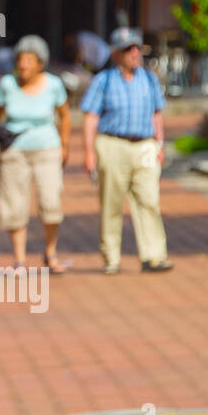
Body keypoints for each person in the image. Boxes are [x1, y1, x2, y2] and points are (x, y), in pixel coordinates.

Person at [80, 28, 173, 274]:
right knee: (111, 203)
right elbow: (90, 117)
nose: (134, 53)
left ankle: (153, 256)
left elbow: (157, 114)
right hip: (113, 144)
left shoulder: (149, 78)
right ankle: (111, 258)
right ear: (115, 54)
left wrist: (160, 144)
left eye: (136, 48)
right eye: (127, 49)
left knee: (149, 200)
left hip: (144, 145)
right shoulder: (104, 80)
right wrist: (89, 151)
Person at [0, 35, 71, 272]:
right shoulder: (8, 84)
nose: (23, 64)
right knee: (15, 204)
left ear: (40, 63)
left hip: (47, 148)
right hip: (14, 151)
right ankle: (19, 260)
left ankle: (50, 253)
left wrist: (65, 145)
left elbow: (65, 116)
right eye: (20, 59)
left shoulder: (53, 85)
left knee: (51, 201)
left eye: (29, 60)